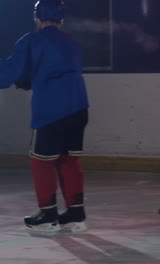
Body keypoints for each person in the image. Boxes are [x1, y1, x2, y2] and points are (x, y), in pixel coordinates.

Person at [0, 0, 89, 233]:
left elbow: (8, 74)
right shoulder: (72, 43)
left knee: (41, 161)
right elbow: (52, 70)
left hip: (51, 109)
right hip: (79, 106)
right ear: (61, 19)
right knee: (69, 159)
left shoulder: (31, 41)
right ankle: (76, 214)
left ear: (36, 17)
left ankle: (48, 215)